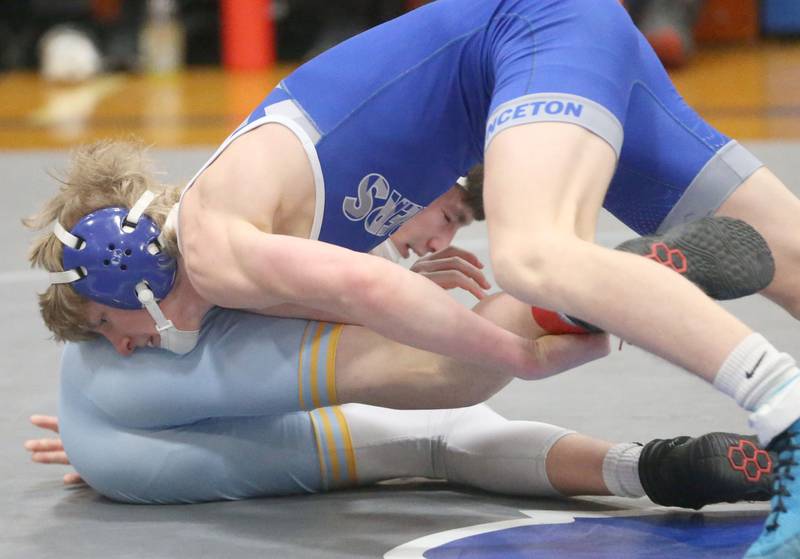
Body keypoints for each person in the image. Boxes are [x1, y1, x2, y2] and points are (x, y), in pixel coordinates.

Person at [25, 2, 800, 555]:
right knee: (789, 252)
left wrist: (514, 358)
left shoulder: (215, 251)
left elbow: (376, 295)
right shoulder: (228, 237)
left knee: (536, 256)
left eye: (101, 325)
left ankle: (782, 418)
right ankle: (618, 286)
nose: (118, 347)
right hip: (553, 41)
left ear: (130, 283)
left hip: (532, 30)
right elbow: (366, 233)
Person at [25, 304, 775, 510]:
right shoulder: (128, 374)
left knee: (447, 424)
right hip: (139, 429)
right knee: (447, 395)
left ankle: (653, 467)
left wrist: (114, 441)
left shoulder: (112, 383)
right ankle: (598, 297)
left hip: (138, 435)